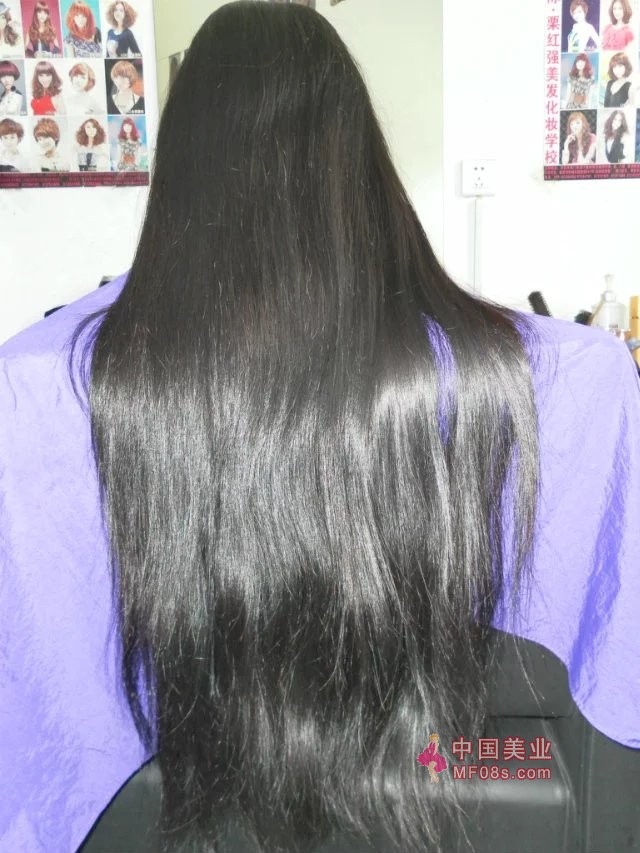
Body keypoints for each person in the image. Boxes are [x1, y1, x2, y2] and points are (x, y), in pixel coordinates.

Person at [1, 4, 640, 853]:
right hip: (464, 787)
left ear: (181, 165)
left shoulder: (35, 387)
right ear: (357, 157)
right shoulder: (560, 378)